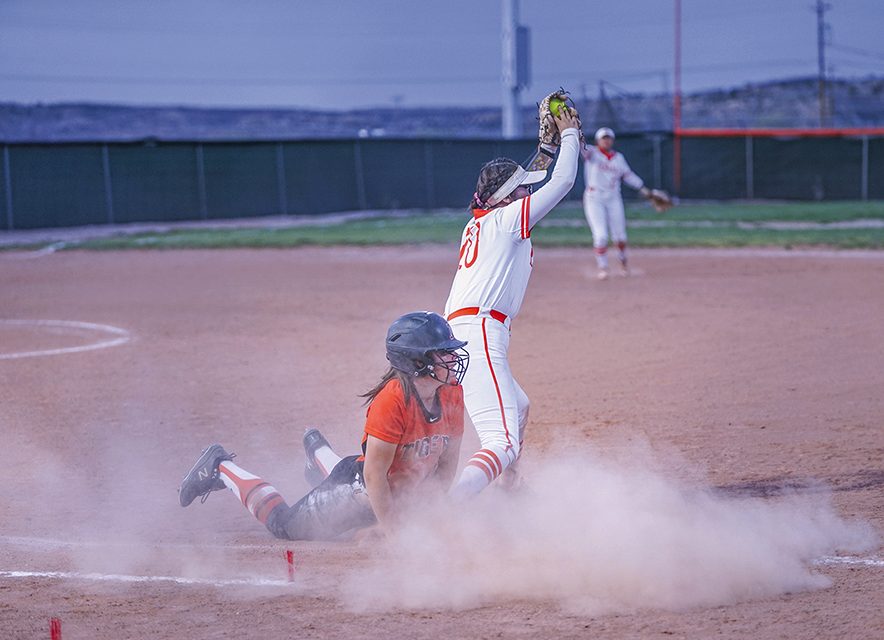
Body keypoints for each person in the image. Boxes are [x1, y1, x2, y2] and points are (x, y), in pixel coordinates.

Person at [177, 311, 468, 540]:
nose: (452, 358)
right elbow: (374, 476)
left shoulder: (452, 393)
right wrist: (393, 531)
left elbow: (445, 467)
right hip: (359, 489)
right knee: (286, 528)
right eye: (442, 352)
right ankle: (219, 467)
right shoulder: (392, 401)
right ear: (416, 361)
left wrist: (426, 514)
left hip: (392, 490)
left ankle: (317, 453)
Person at [443, 104, 582, 497]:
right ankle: (447, 511)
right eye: (522, 188)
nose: (529, 191)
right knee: (500, 442)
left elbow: (534, 177)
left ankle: (509, 489)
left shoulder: (485, 218)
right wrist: (569, 136)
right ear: (507, 197)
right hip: (478, 332)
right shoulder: (506, 220)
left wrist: (546, 148)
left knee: (517, 409)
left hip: (463, 329)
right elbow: (563, 182)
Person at [581, 126, 660, 280]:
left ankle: (623, 263)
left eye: (608, 137)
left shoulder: (619, 158)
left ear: (612, 140)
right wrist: (575, 131)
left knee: (620, 236)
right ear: (598, 140)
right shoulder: (592, 154)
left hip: (613, 199)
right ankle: (603, 267)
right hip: (594, 199)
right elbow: (581, 146)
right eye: (603, 138)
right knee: (601, 235)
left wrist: (645, 190)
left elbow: (628, 176)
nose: (606, 140)